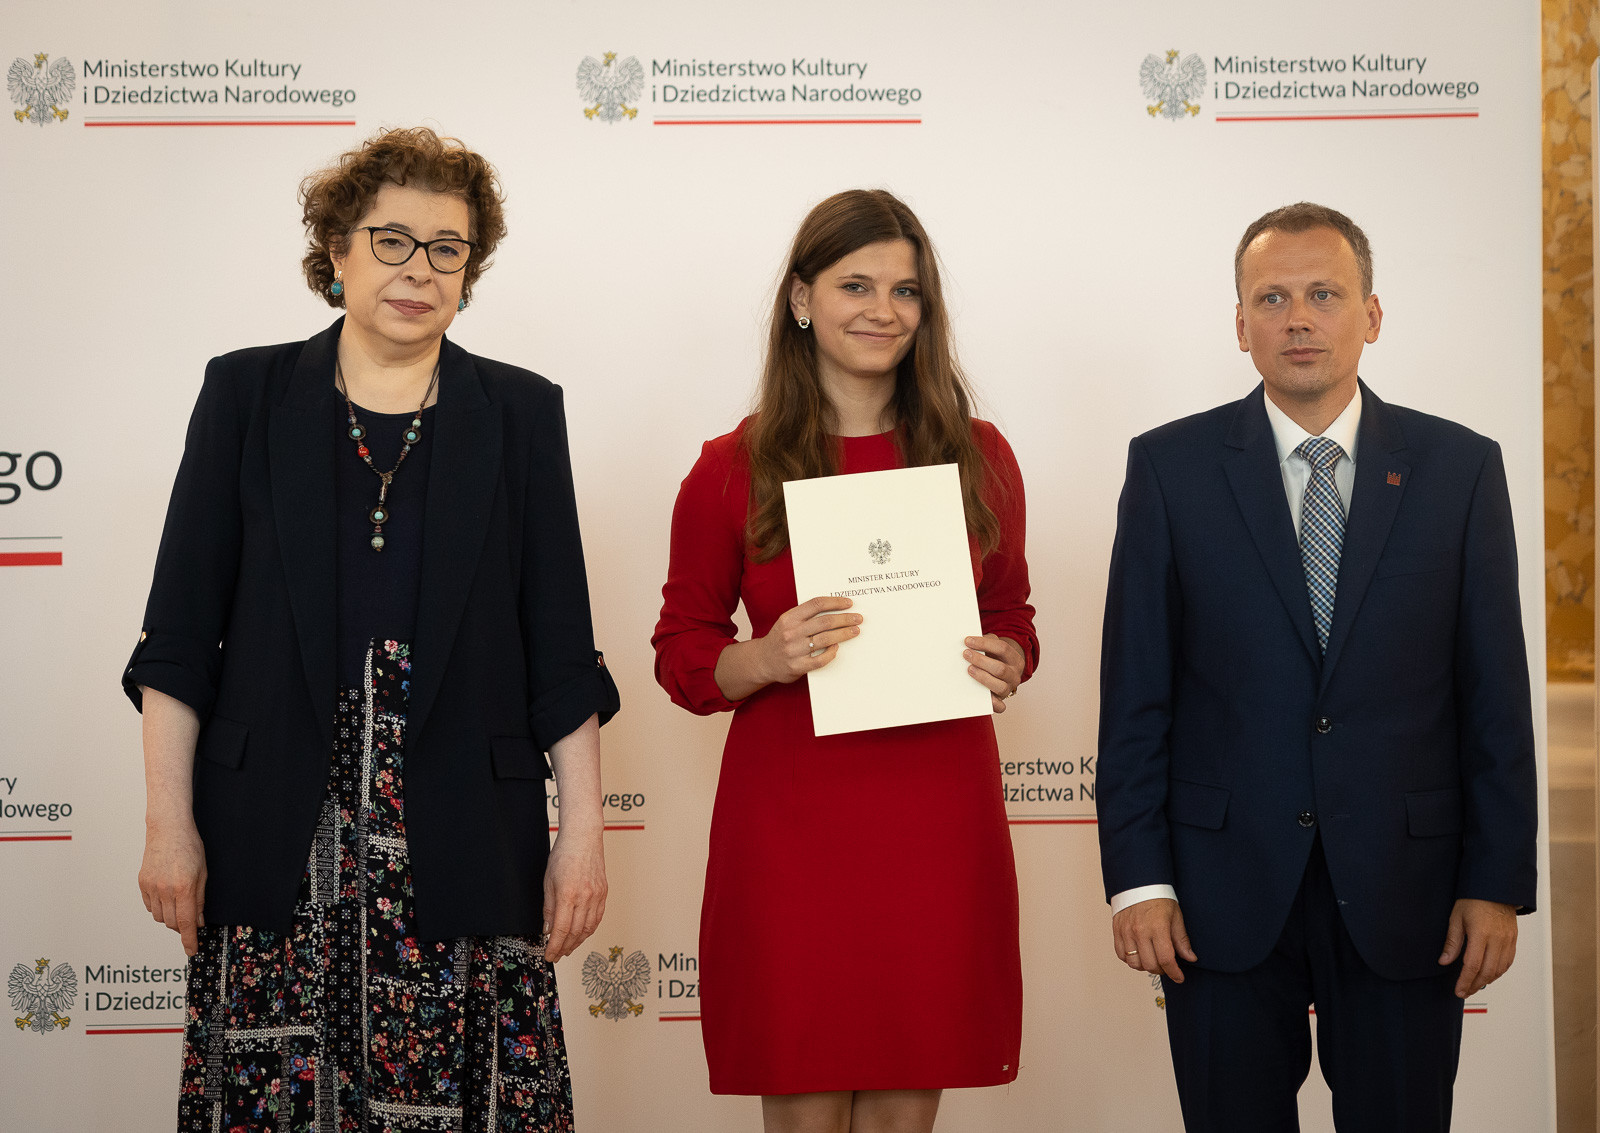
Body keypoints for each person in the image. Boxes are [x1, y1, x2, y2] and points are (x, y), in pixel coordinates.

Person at [124, 126, 619, 1132]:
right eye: (392, 240)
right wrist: (168, 823)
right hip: (273, 827)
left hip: (467, 831)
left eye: (448, 248)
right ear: (337, 251)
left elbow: (561, 651)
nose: (418, 269)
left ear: (469, 271)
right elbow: (177, 637)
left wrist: (583, 837)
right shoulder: (246, 394)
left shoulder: (521, 412)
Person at [1096, 202, 1538, 1131]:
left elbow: (1494, 695)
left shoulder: (1460, 469)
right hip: (1217, 894)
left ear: (1371, 314)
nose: (1298, 318)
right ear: (1241, 324)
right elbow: (1136, 694)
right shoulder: (1170, 468)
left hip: (1409, 892)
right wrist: (1140, 880)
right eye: (1273, 298)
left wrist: (1495, 880)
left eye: (1324, 295)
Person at [652, 189, 1038, 1133]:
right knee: (806, 1097)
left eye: (905, 290)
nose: (882, 310)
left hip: (937, 814)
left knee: (907, 1107)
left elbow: (1011, 615)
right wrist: (765, 656)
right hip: (793, 821)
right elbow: (683, 652)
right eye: (855, 285)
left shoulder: (980, 456)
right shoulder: (731, 466)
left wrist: (1008, 658)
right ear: (801, 299)